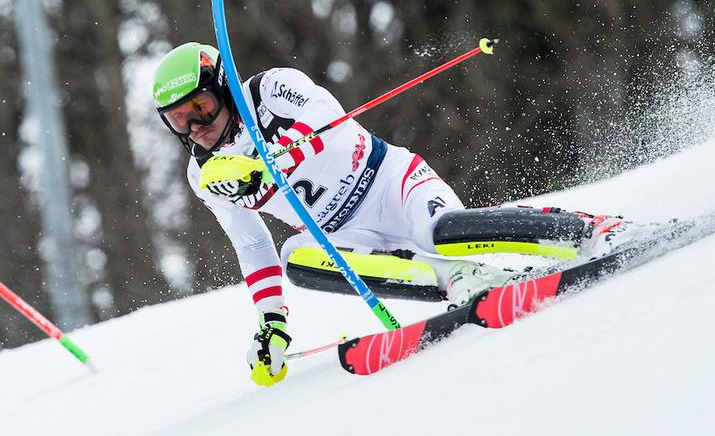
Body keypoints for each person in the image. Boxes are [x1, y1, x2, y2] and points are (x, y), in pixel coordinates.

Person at [152, 42, 651, 386]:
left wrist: (267, 163)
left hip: (390, 183)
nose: (195, 125)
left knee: (441, 231)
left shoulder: (272, 88)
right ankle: (461, 280)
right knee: (294, 257)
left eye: (200, 106)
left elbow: (327, 121)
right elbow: (252, 243)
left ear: (223, 88)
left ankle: (587, 230)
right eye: (178, 119)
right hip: (345, 235)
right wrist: (271, 322)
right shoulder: (204, 176)